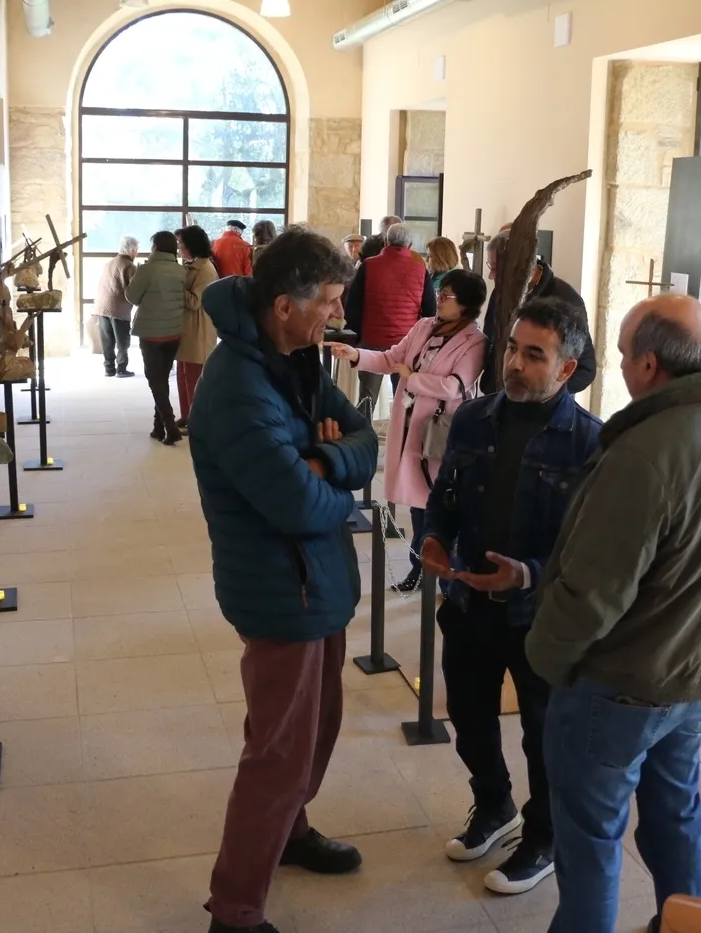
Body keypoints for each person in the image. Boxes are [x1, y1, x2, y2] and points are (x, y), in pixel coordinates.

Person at [526, 294, 701, 933]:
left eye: (622, 354)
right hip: (697, 677)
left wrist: (544, 657)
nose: (619, 365)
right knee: (676, 813)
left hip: (620, 685)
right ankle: (692, 924)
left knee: (590, 838)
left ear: (649, 365)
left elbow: (592, 590)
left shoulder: (642, 453)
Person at [189, 227, 378, 933]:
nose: (338, 313)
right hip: (281, 588)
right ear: (283, 305)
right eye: (329, 300)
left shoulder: (294, 358)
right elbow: (295, 506)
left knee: (316, 729)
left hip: (316, 578)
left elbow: (362, 436)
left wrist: (324, 463)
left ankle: (290, 832)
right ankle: (235, 909)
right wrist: (337, 490)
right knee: (278, 754)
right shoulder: (238, 387)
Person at [419, 297, 602, 895]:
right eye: (513, 350)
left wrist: (525, 574)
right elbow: (444, 497)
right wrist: (434, 538)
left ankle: (544, 835)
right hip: (469, 605)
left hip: (539, 618)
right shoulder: (474, 419)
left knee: (543, 734)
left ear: (567, 368)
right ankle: (494, 804)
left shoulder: (591, 443)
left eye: (534, 355)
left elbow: (590, 548)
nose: (515, 365)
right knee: (468, 717)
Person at [327, 268, 488, 593]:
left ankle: (446, 577)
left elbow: (455, 386)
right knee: (417, 503)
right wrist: (356, 355)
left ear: (467, 304)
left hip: (440, 432)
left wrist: (411, 378)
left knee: (441, 504)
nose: (439, 299)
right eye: (440, 293)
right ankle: (418, 567)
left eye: (447, 296)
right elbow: (392, 358)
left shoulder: (475, 341)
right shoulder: (424, 326)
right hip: (411, 428)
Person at [479, 229, 598, 397]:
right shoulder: (501, 291)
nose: (492, 276)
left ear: (522, 264)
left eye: (497, 269)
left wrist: (540, 391)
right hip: (499, 399)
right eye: (491, 267)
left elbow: (586, 370)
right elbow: (491, 340)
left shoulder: (564, 298)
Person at [344, 223, 437, 415]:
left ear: (385, 242)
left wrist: (359, 335)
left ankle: (364, 432)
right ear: (410, 245)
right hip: (406, 344)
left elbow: (352, 305)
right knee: (404, 398)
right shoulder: (421, 270)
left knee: (367, 398)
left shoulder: (368, 266)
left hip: (372, 340)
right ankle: (401, 433)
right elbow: (430, 311)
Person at [126, 230, 188, 445]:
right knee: (162, 379)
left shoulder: (147, 270)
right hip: (174, 333)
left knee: (155, 381)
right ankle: (158, 427)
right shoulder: (181, 271)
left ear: (155, 247)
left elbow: (132, 297)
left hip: (151, 333)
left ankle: (170, 427)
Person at [177, 225, 219, 434]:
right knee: (182, 375)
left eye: (181, 244)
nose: (179, 248)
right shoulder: (190, 265)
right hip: (186, 329)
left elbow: (195, 302)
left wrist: (176, 285)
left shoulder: (205, 269)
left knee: (194, 378)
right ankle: (186, 416)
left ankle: (196, 422)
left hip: (198, 331)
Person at [95, 235, 138, 378]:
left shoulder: (109, 263)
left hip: (102, 307)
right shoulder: (129, 266)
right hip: (119, 309)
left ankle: (109, 369)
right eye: (136, 249)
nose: (137, 252)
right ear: (131, 250)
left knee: (107, 341)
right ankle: (121, 369)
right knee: (122, 341)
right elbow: (133, 289)